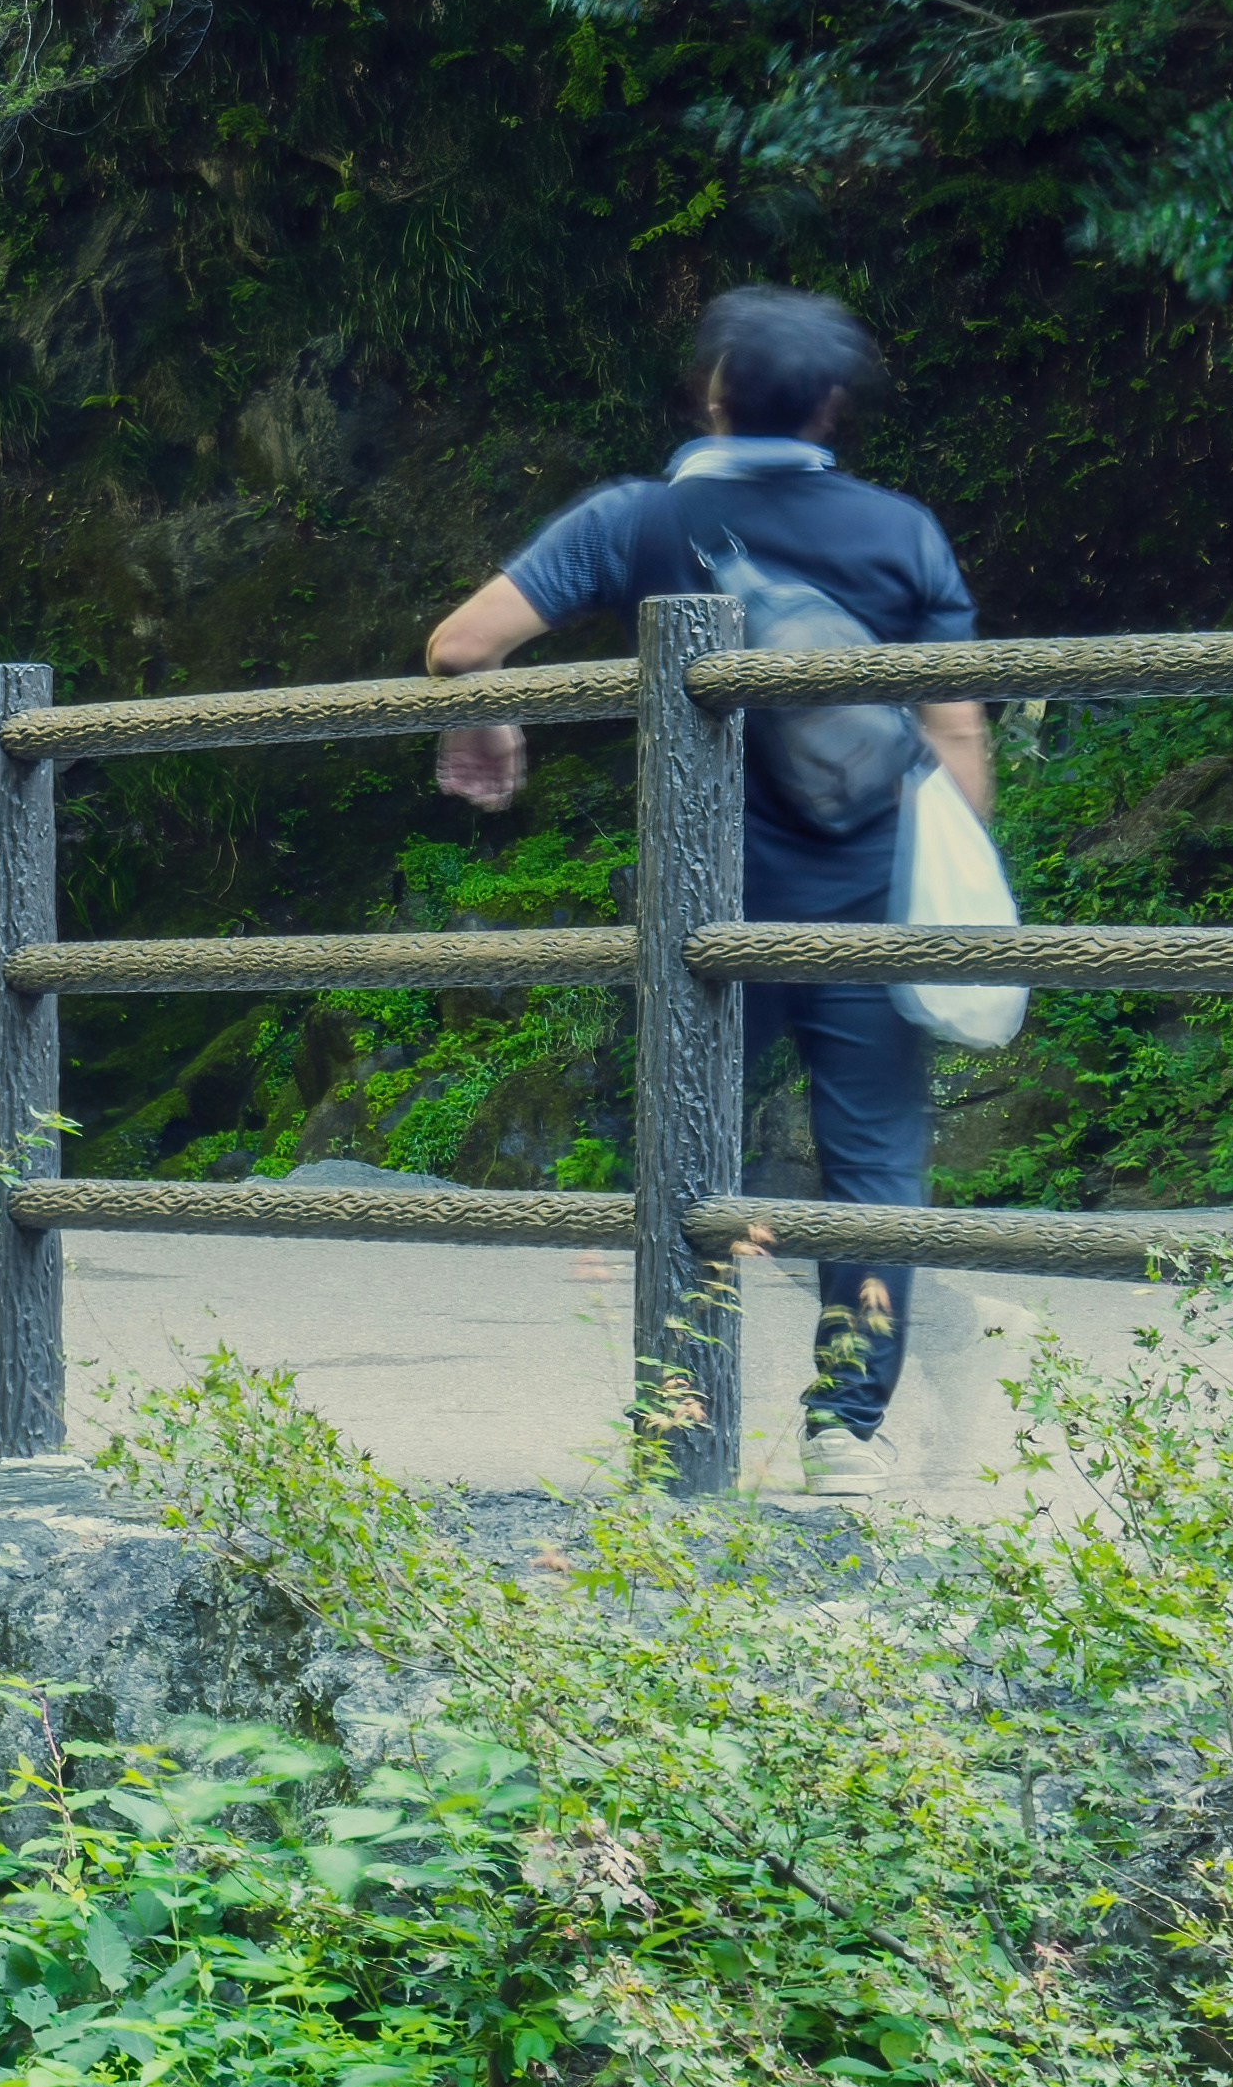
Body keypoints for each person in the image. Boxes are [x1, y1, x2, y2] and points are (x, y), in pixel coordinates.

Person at [422, 284, 994, 1472]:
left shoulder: (637, 520)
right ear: (835, 405)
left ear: (715, 392)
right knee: (873, 1169)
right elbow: (957, 731)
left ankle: (678, 1429)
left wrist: (486, 725)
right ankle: (845, 1435)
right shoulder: (904, 533)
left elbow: (462, 644)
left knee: (691, 1156)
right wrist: (956, 896)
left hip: (706, 902)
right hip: (872, 898)